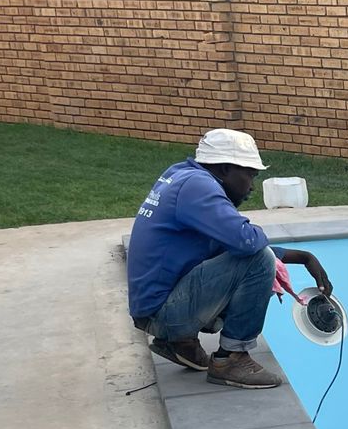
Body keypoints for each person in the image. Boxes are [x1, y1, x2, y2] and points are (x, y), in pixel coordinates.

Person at [127, 128, 332, 390]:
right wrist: (258, 241)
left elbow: (225, 243)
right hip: (164, 314)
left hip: (153, 309)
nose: (251, 186)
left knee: (250, 253)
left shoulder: (181, 175)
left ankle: (179, 342)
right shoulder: (199, 187)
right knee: (259, 259)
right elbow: (247, 242)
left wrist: (302, 257)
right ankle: (231, 359)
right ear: (225, 168)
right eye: (250, 175)